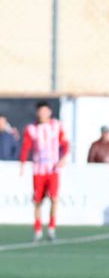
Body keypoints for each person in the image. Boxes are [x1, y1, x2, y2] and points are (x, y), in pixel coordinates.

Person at [19, 102, 69, 243]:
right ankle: (38, 230)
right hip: (38, 170)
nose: (42, 114)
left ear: (49, 112)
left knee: (54, 198)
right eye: (40, 112)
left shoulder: (56, 126)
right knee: (38, 201)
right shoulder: (31, 129)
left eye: (44, 111)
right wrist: (22, 163)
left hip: (53, 169)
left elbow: (65, 144)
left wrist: (64, 158)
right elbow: (26, 146)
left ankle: (52, 228)